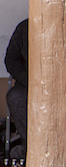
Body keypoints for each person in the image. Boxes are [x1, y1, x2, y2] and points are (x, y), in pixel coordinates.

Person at [4, 19, 28, 158]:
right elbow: (11, 59)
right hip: (29, 83)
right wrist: (27, 79)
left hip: (64, 85)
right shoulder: (24, 28)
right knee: (15, 97)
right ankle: (30, 144)